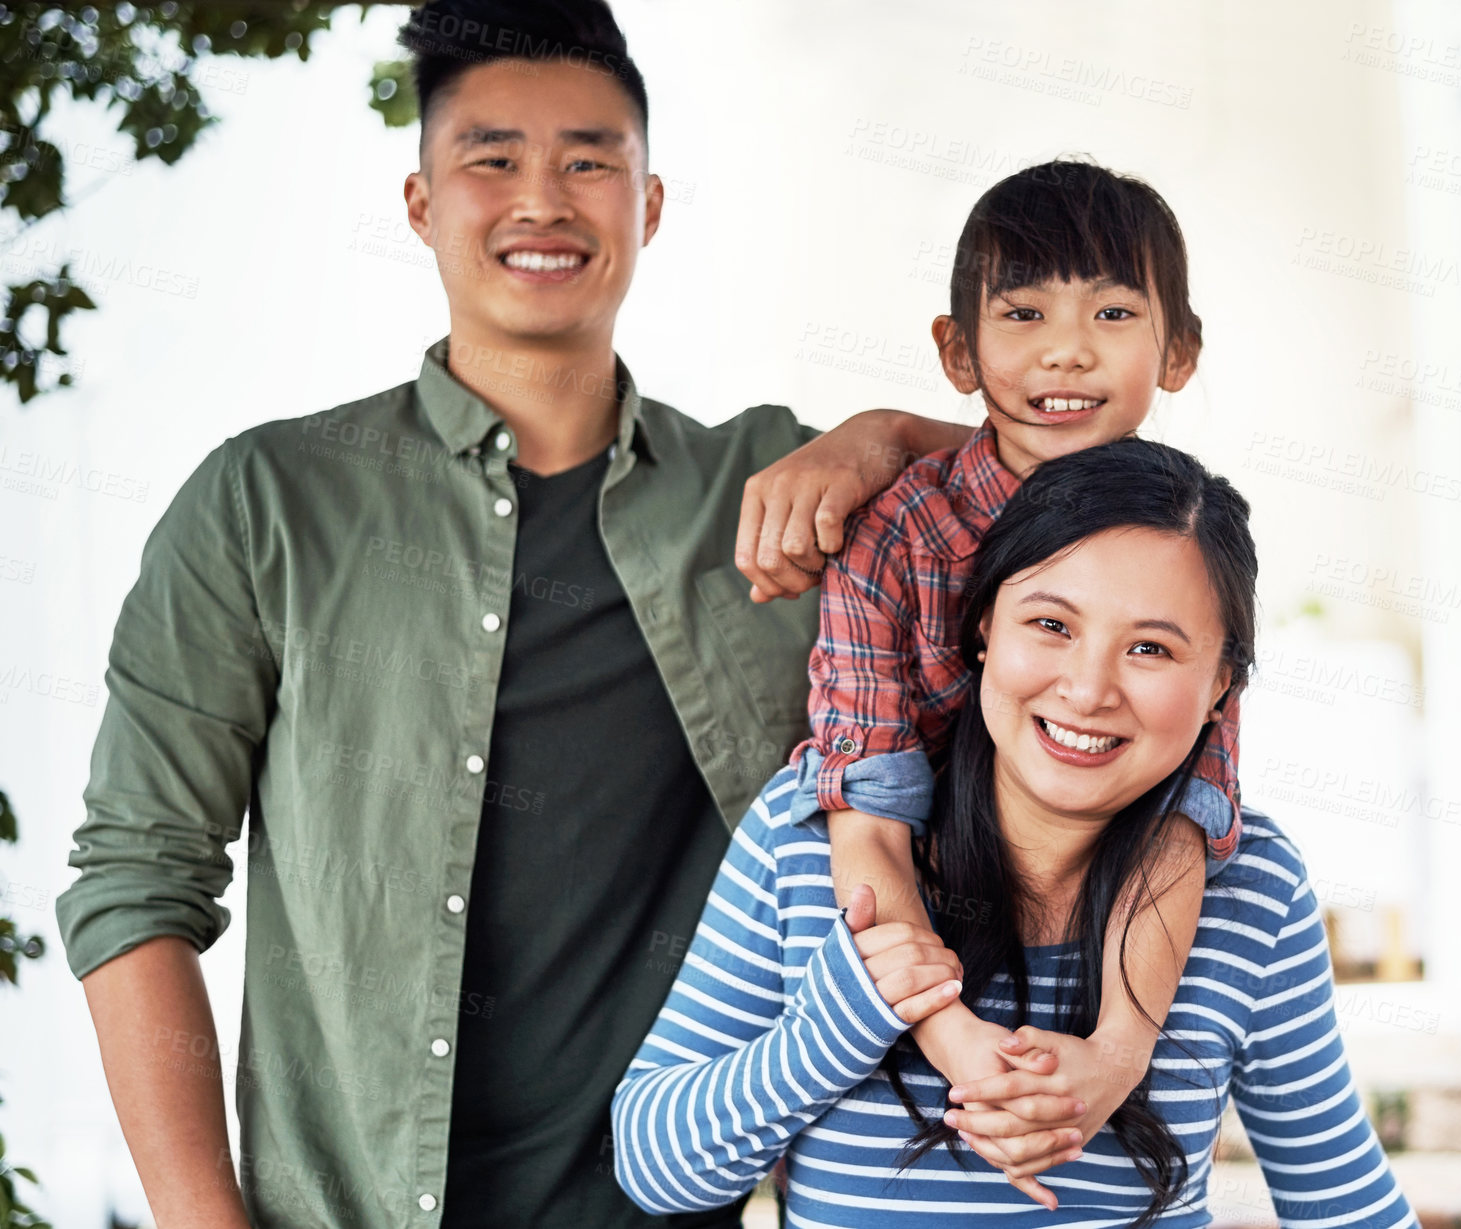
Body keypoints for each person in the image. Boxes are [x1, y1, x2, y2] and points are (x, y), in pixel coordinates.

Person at [52, 4, 969, 1228]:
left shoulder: (775, 493)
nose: (542, 200)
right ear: (422, 202)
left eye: (589, 161)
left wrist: (889, 436)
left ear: (648, 205)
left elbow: (1111, 505)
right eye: (492, 158)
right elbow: (136, 877)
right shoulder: (267, 503)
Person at [613, 439, 1417, 1226]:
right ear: (984, 628)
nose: (1088, 689)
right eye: (1052, 625)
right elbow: (655, 1167)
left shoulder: (1250, 883)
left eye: (1150, 647)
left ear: (1221, 689)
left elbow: (1346, 1203)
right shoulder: (807, 836)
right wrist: (833, 1027)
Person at [772, 158, 1243, 1201]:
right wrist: (958, 1043)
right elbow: (866, 810)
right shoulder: (897, 535)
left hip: (1097, 933)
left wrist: (1116, 1052)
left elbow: (1186, 808)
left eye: (1113, 312)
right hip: (909, 939)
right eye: (1023, 313)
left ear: (1178, 351)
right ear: (958, 350)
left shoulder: (1189, 546)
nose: (1067, 349)